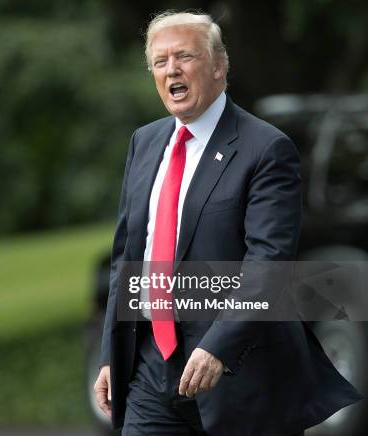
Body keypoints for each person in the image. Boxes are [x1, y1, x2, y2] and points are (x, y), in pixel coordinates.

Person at [93, 10, 362, 436]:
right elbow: (128, 257)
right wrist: (113, 353)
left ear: (219, 66)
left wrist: (220, 346)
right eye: (160, 62)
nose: (171, 70)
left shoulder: (266, 148)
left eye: (184, 56)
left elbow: (268, 262)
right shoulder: (143, 143)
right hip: (149, 371)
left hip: (239, 373)